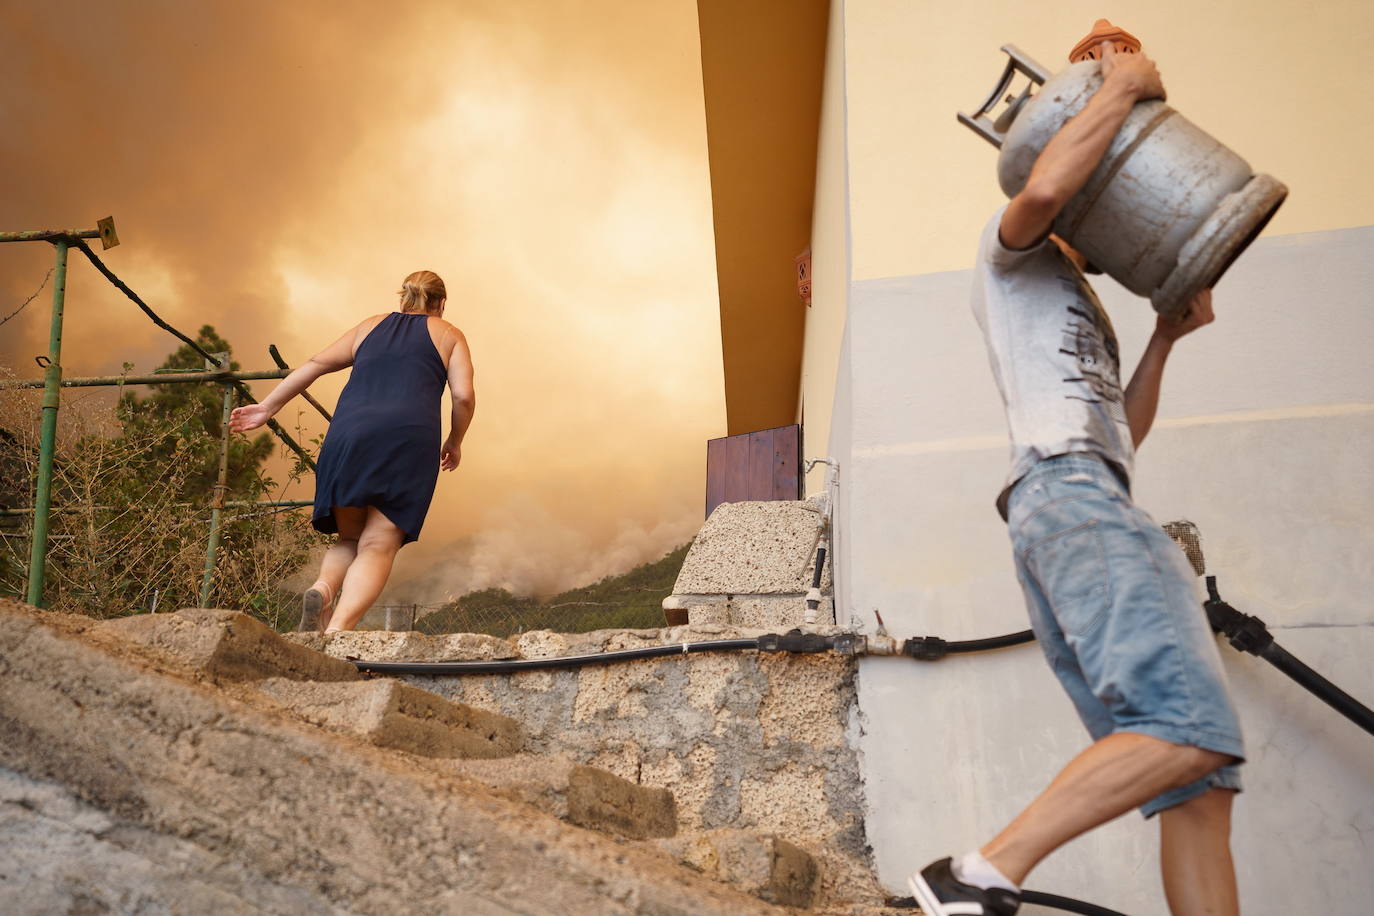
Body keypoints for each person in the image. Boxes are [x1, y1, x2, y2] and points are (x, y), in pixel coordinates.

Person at [908, 32, 1245, 916]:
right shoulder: (1011, 252)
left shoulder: (1083, 303)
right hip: (1068, 495)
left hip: (1088, 491)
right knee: (1183, 729)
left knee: (1197, 786)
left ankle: (978, 877)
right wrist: (1122, 84)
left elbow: (1122, 437)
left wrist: (1164, 339)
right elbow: (1045, 189)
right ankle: (977, 876)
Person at [229, 270, 474, 633]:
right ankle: (337, 632)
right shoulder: (449, 334)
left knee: (350, 538)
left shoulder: (369, 327)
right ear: (441, 303)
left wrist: (267, 407)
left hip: (348, 436)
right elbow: (463, 396)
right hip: (406, 441)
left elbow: (315, 364)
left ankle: (323, 588)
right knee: (378, 543)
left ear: (403, 298)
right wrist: (455, 439)